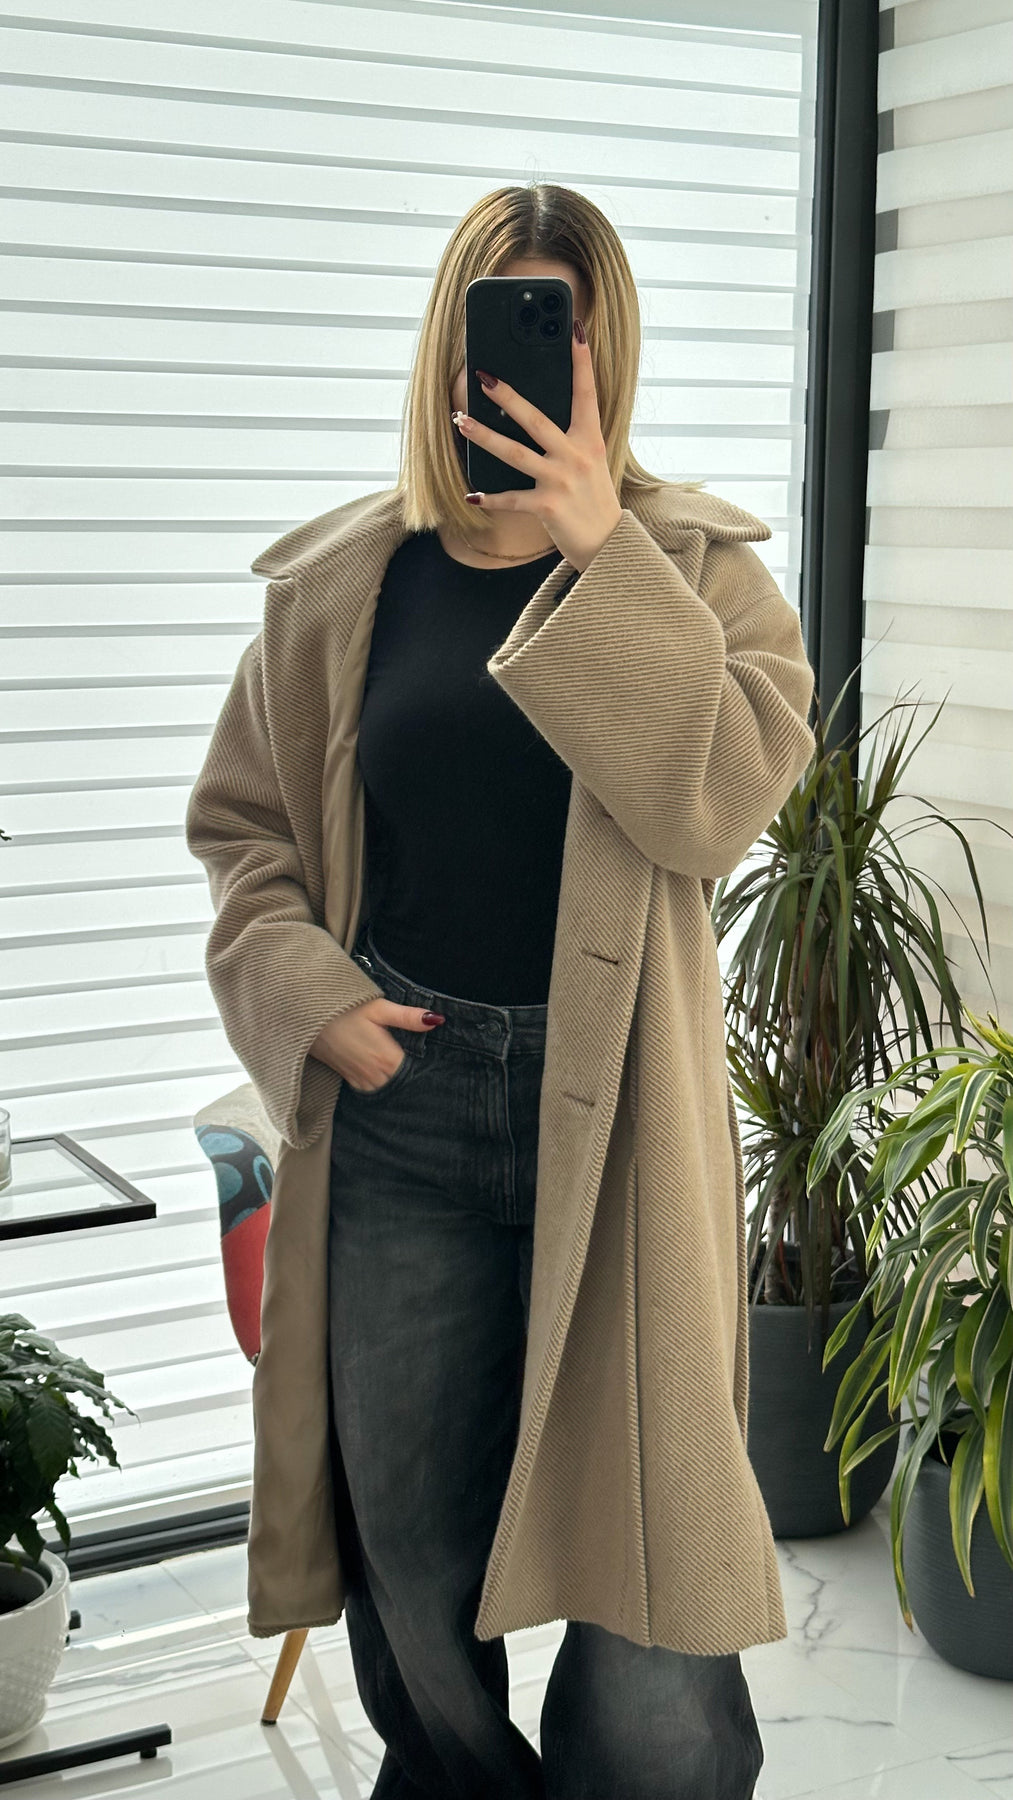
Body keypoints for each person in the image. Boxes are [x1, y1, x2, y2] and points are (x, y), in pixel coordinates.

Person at [307, 184, 771, 1797]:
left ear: (600, 353)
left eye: (553, 329)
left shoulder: (700, 574)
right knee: (414, 1588)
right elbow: (245, 831)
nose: (516, 361)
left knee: (653, 1638)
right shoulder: (349, 586)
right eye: (492, 318)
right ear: (446, 341)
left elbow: (713, 809)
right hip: (404, 1109)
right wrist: (312, 998)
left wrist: (602, 550)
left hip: (622, 1119)